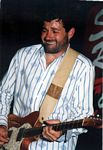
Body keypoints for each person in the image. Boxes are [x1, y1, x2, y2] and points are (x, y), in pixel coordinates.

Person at [0, 10, 95, 150]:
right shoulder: (23, 55)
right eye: (45, 30)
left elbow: (83, 114)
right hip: (13, 144)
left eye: (55, 31)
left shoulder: (83, 66)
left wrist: (62, 131)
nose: (48, 36)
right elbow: (4, 92)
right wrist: (2, 123)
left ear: (70, 33)